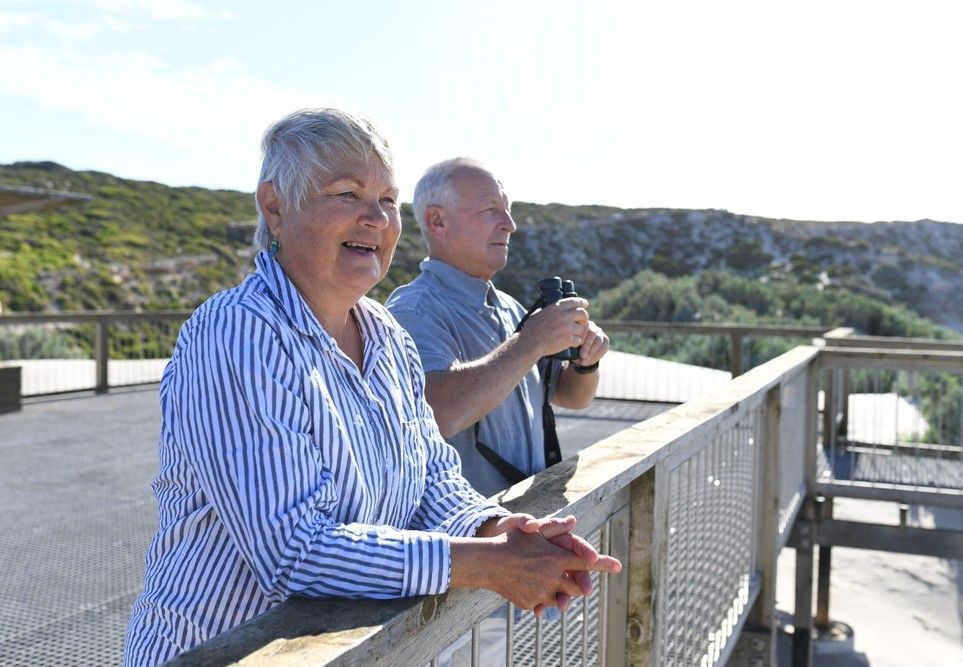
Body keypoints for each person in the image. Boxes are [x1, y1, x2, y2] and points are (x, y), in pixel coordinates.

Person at [122, 109, 619, 666]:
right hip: (217, 652)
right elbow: (295, 550)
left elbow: (431, 477)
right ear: (275, 207)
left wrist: (497, 526)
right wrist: (489, 562)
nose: (376, 218)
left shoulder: (387, 335)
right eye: (347, 193)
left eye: (387, 200)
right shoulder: (238, 331)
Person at [386, 158, 611, 499]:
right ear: (438, 221)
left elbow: (570, 396)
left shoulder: (511, 309)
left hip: (521, 524)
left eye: (508, 210)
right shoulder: (414, 311)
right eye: (491, 209)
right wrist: (531, 342)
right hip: (468, 539)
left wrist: (586, 362)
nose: (510, 224)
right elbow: (438, 413)